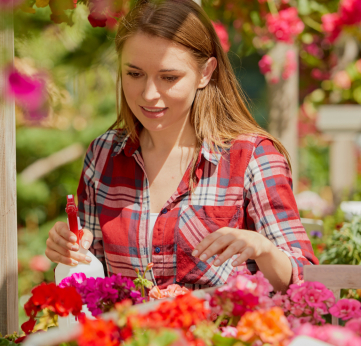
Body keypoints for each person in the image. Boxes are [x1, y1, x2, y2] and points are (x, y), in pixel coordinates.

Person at [44, 0, 318, 292]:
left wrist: (261, 248)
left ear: (205, 72)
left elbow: (303, 277)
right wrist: (71, 250)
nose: (149, 94)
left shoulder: (252, 156)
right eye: (134, 74)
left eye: (169, 77)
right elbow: (91, 279)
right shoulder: (103, 155)